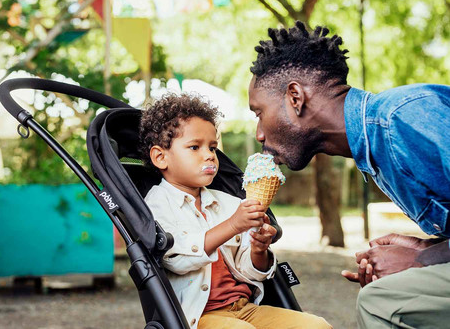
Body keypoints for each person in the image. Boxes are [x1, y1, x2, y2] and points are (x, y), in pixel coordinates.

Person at [248, 20, 450, 328]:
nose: (260, 133)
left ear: (295, 97)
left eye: (259, 113)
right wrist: (428, 248)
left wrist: (419, 262)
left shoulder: (400, 120)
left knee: (382, 302)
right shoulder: (377, 148)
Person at [139, 93, 332, 329]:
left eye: (212, 147)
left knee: (316, 326)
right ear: (160, 157)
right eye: (194, 147)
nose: (209, 154)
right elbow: (175, 259)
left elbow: (250, 273)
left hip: (244, 308)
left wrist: (259, 251)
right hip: (199, 316)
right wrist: (232, 225)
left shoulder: (229, 203)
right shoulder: (157, 205)